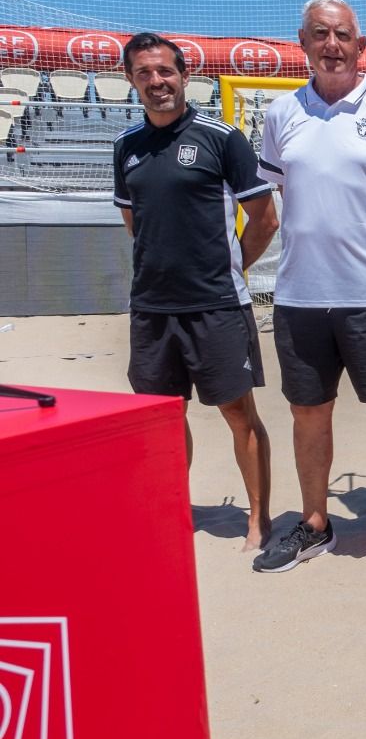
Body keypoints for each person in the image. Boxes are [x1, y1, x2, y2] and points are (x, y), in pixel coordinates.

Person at [251, 0, 366, 581]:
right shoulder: (281, 117)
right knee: (308, 413)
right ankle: (314, 524)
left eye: (344, 35)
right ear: (301, 43)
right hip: (301, 298)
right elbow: (272, 205)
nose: (333, 45)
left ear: (361, 46)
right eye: (320, 34)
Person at [113, 32, 278, 551]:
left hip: (216, 305)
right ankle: (170, 511)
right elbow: (134, 222)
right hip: (153, 309)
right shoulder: (126, 148)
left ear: (185, 76)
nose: (156, 81)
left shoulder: (221, 137)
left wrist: (227, 266)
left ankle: (258, 519)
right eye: (144, 73)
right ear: (131, 81)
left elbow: (265, 219)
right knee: (163, 419)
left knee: (238, 414)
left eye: (165, 71)